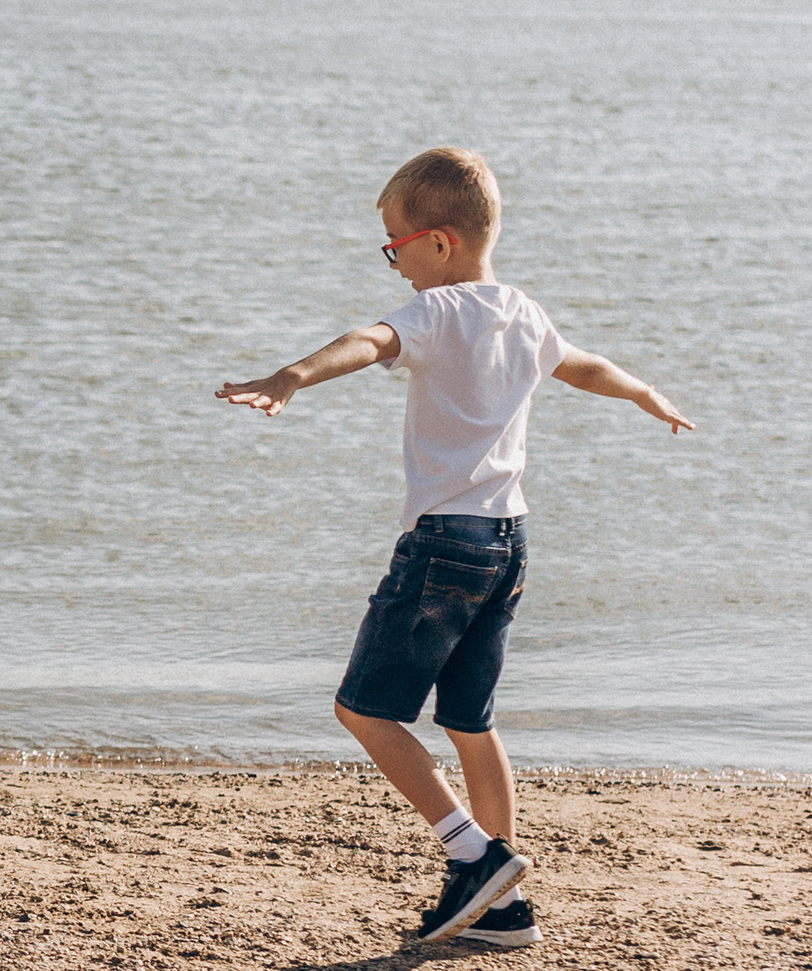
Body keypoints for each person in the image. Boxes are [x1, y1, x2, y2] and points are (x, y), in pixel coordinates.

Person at [216, 146, 694, 947]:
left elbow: (364, 341)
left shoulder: (438, 312)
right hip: (509, 543)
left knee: (362, 708)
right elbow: (586, 367)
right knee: (471, 720)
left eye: (394, 244)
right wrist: (648, 394)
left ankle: (471, 853)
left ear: (439, 241)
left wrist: (292, 374)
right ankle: (501, 907)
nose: (392, 261)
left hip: (443, 544)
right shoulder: (526, 312)